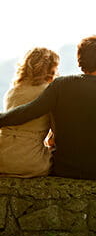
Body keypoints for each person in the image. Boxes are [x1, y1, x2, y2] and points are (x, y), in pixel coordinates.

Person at [0, 36, 96, 180]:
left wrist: (2, 119)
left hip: (64, 168)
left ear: (79, 61)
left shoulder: (60, 85)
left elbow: (29, 111)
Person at [0, 48, 59, 177]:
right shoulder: (49, 93)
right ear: (51, 69)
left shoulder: (12, 92)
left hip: (2, 158)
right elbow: (55, 135)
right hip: (29, 162)